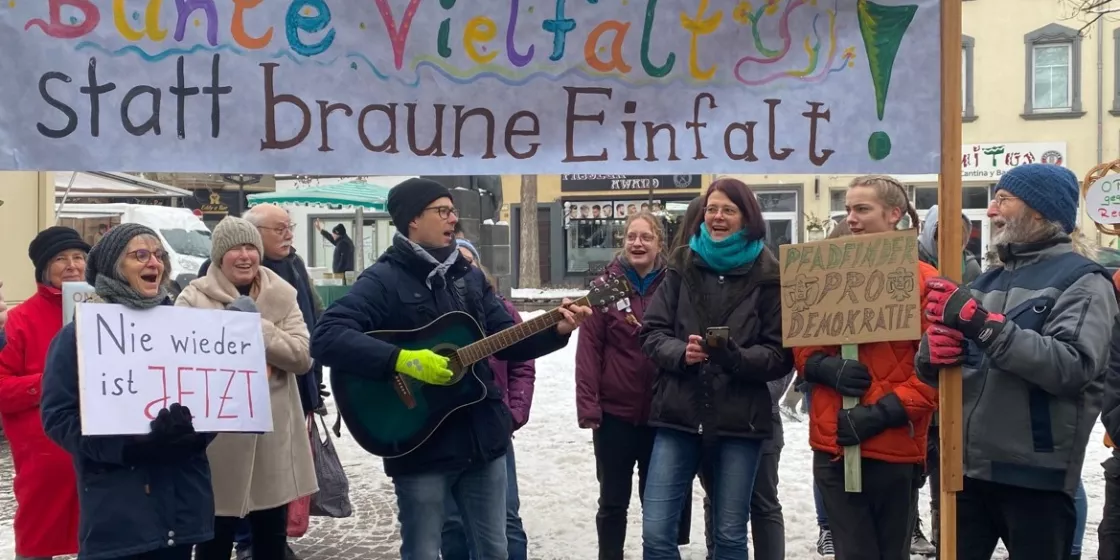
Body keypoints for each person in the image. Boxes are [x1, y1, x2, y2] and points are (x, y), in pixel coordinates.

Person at [311, 178, 591, 560]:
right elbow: (327, 336)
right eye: (442, 211)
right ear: (412, 219)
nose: (453, 219)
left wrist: (556, 329)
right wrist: (400, 359)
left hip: (482, 437)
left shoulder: (467, 275)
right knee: (425, 551)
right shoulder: (382, 279)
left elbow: (507, 339)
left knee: (495, 549)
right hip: (418, 441)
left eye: (453, 211)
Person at [917, 163, 1118, 560]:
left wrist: (984, 326)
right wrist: (931, 354)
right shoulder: (986, 281)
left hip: (1035, 479)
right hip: (967, 473)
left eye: (1003, 200)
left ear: (1040, 211)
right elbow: (951, 364)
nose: (990, 211)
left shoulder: (1084, 281)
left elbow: (1072, 366)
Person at [639, 178, 794, 560]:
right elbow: (652, 333)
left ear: (747, 217)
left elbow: (780, 354)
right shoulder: (681, 263)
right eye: (712, 209)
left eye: (728, 209)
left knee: (729, 536)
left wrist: (735, 357)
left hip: (740, 419)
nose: (718, 217)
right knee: (656, 532)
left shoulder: (770, 274)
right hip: (678, 413)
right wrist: (680, 353)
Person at [41, 224, 215, 559]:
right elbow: (57, 417)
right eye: (141, 255)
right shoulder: (78, 335)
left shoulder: (187, 329)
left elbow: (214, 400)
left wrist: (194, 435)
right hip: (118, 512)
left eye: (158, 255)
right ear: (112, 266)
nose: (155, 263)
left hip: (181, 506)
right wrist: (126, 448)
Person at [793, 175, 939, 560]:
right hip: (835, 445)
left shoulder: (925, 282)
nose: (852, 219)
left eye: (862, 209)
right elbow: (803, 347)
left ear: (894, 214)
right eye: (848, 210)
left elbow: (936, 369)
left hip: (894, 447)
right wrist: (823, 367)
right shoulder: (824, 272)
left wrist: (884, 412)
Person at [180, 217, 318, 560]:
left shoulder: (284, 294)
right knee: (214, 538)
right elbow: (184, 361)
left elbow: (302, 357)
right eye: (235, 249)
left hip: (273, 435)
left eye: (251, 248)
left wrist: (254, 325)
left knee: (271, 538)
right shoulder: (193, 298)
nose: (245, 256)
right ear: (219, 256)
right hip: (219, 438)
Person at [575, 212, 691, 560]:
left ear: (659, 243)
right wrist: (588, 405)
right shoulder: (604, 288)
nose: (637, 244)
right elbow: (589, 351)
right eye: (631, 237)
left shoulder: (676, 284)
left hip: (663, 411)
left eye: (646, 237)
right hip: (615, 414)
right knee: (612, 499)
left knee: (662, 500)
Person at [441, 239, 536, 560]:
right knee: (451, 522)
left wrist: (513, 413)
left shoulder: (500, 309)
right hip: (445, 430)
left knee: (507, 518)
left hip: (493, 427)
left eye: (468, 263)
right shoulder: (436, 313)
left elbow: (523, 365)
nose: (462, 270)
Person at [0, 227, 88, 560]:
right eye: (60, 259)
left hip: (96, 447)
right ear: (43, 268)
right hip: (43, 453)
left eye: (78, 257)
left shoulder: (105, 310)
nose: (72, 265)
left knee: (101, 536)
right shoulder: (18, 320)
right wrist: (51, 381)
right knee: (38, 537)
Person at [913, 204, 982, 556]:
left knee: (946, 469)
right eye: (942, 233)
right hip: (917, 375)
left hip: (954, 379)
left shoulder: (970, 266)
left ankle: (944, 535)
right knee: (914, 466)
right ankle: (913, 527)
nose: (949, 240)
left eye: (958, 233)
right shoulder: (911, 265)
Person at [701, 370, 794, 560]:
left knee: (763, 501)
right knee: (715, 497)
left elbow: (779, 373)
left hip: (760, 417)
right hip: (712, 418)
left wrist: (740, 396)